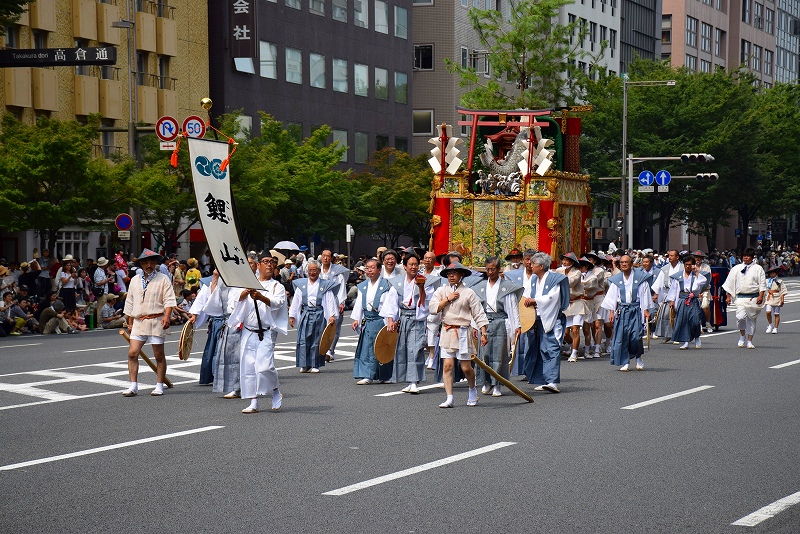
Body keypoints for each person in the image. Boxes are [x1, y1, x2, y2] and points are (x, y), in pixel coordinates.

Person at [227, 252, 287, 413]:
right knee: (249, 368)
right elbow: (232, 302)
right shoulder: (247, 283)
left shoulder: (276, 286)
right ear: (258, 265)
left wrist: (260, 297)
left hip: (265, 332)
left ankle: (275, 390)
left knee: (265, 367)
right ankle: (254, 402)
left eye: (272, 262)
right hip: (248, 331)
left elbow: (278, 303)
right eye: (265, 262)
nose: (269, 264)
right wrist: (244, 293)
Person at [428, 261, 489, 408]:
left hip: (462, 331)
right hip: (447, 330)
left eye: (454, 273)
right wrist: (447, 299)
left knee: (465, 367)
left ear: (461, 275)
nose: (451, 276)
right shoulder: (442, 291)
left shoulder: (468, 293)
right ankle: (449, 398)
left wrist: (484, 332)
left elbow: (478, 313)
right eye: (449, 274)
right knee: (447, 366)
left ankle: (472, 389)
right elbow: (432, 308)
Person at [121, 249, 177, 397]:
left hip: (156, 319)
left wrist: (167, 316)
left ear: (156, 263)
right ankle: (133, 385)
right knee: (132, 353)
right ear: (141, 264)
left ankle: (159, 385)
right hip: (139, 320)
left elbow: (169, 300)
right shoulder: (134, 280)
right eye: (145, 262)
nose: (149, 265)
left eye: (152, 262)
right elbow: (130, 302)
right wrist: (130, 321)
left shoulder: (163, 279)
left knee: (158, 355)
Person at [382, 253, 436, 394]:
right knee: (403, 349)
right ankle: (408, 380)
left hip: (416, 318)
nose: (413, 267)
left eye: (416, 264)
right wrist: (390, 320)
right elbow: (392, 302)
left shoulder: (425, 281)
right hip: (404, 317)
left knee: (415, 349)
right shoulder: (398, 282)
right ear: (404, 266)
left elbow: (425, 303)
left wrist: (422, 288)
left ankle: (414, 381)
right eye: (410, 264)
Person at [472, 256, 522, 397]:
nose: (490, 272)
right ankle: (486, 382)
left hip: (501, 321)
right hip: (485, 322)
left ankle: (497, 384)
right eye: (488, 269)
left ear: (499, 269)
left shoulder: (506, 287)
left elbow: (512, 308)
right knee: (484, 354)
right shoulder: (480, 287)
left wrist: (516, 325)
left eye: (493, 269)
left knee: (500, 355)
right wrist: (474, 325)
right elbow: (476, 309)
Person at [521, 252, 569, 392]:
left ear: (541, 266)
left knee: (552, 348)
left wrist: (536, 301)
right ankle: (543, 379)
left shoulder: (554, 279)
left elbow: (552, 298)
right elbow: (527, 295)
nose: (531, 265)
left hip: (552, 318)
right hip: (538, 319)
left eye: (533, 263)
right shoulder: (534, 279)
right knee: (541, 349)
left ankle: (552, 381)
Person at [601, 255, 652, 372]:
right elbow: (612, 297)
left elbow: (644, 294)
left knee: (635, 336)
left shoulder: (640, 278)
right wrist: (611, 312)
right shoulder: (617, 279)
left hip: (636, 310)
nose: (624, 264)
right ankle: (626, 361)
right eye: (622, 262)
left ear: (631, 263)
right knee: (623, 336)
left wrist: (645, 310)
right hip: (622, 310)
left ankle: (638, 357)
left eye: (626, 262)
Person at [290, 259, 339, 373]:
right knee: (303, 339)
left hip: (319, 313)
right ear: (307, 271)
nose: (312, 273)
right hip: (306, 313)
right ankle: (304, 364)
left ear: (319, 271)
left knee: (317, 340)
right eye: (310, 270)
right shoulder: (301, 285)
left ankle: (315, 364)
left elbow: (330, 301)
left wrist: (331, 315)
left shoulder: (324, 285)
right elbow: (296, 301)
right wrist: (292, 316)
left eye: (314, 270)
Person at [350, 258, 393, 384]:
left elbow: (388, 304)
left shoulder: (386, 285)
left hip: (380, 319)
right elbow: (359, 304)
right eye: (367, 268)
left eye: (372, 267)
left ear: (379, 269)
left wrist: (389, 320)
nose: (369, 270)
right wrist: (356, 319)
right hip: (368, 320)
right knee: (367, 348)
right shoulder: (363, 286)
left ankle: (385, 375)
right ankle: (367, 375)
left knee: (382, 347)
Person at [722, 247, 766, 349]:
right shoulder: (736, 268)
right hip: (740, 297)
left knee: (751, 320)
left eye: (748, 256)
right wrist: (728, 296)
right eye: (744, 256)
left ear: (752, 257)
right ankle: (742, 336)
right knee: (740, 317)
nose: (746, 258)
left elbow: (762, 283)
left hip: (753, 297)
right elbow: (730, 283)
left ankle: (749, 340)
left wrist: (761, 295)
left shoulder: (758, 268)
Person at [667, 255, 707, 350]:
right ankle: (685, 341)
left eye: (690, 264)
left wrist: (696, 272)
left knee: (695, 321)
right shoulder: (679, 276)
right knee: (683, 321)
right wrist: (672, 300)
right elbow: (674, 288)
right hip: (682, 299)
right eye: (686, 264)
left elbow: (703, 282)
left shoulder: (696, 275)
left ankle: (697, 337)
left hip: (693, 299)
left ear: (693, 265)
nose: (688, 266)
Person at [319, 249, 350, 361]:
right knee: (321, 326)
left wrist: (341, 303)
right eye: (323, 256)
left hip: (335, 300)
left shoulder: (337, 272)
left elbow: (342, 287)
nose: (325, 258)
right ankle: (322, 349)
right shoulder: (318, 271)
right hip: (321, 301)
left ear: (331, 258)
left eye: (328, 256)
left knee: (334, 326)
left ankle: (330, 351)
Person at [557, 252, 586, 362]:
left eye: (566, 260)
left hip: (577, 303)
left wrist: (557, 278)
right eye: (563, 260)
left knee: (575, 330)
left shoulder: (577, 272)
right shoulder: (559, 270)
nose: (564, 262)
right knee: (564, 332)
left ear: (572, 262)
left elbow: (570, 283)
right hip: (565, 304)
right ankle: (572, 346)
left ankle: (574, 353)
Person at [652, 249, 681, 341]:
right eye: (669, 256)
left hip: (680, 294)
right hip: (667, 293)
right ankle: (668, 334)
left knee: (679, 315)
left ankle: (678, 335)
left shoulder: (683, 268)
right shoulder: (665, 269)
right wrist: (656, 293)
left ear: (677, 257)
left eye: (672, 256)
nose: (670, 257)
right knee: (666, 315)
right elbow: (659, 282)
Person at [764, 263, 787, 334]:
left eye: (773, 273)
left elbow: (782, 290)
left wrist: (782, 299)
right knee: (768, 312)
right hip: (769, 297)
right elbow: (763, 289)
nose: (772, 274)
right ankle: (770, 324)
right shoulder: (767, 281)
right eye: (771, 273)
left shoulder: (779, 281)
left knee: (776, 314)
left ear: (776, 273)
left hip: (777, 297)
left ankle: (775, 328)